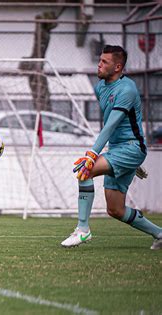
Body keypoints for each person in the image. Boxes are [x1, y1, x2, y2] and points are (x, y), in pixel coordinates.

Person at [60, 45, 161, 250]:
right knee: (115, 210)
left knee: (85, 170)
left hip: (131, 148)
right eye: (100, 60)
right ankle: (160, 233)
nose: (99, 64)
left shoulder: (127, 89)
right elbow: (110, 124)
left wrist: (92, 154)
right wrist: (125, 164)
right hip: (119, 152)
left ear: (117, 67)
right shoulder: (100, 87)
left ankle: (83, 230)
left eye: (104, 62)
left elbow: (112, 124)